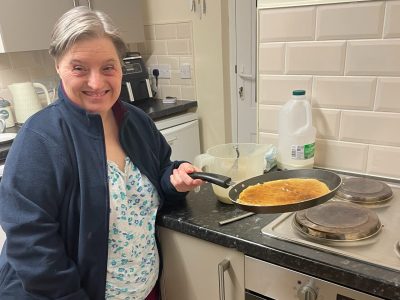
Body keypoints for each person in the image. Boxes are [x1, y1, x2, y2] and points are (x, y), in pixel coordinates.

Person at [0, 6, 203, 300]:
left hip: (143, 289)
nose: (96, 83)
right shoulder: (40, 140)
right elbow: (32, 246)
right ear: (58, 65)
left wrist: (173, 180)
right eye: (79, 68)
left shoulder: (137, 122)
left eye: (108, 67)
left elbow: (159, 171)